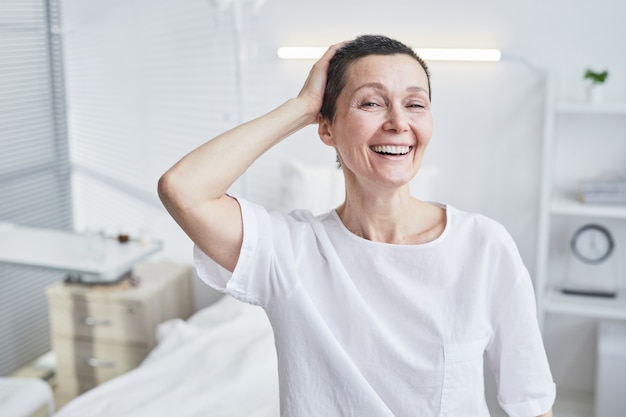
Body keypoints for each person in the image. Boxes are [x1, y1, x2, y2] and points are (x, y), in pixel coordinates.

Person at [158, 34, 555, 417]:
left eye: (415, 104)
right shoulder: (290, 252)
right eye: (371, 103)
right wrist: (302, 106)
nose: (399, 122)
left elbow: (532, 401)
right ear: (326, 128)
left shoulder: (483, 246)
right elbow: (183, 189)